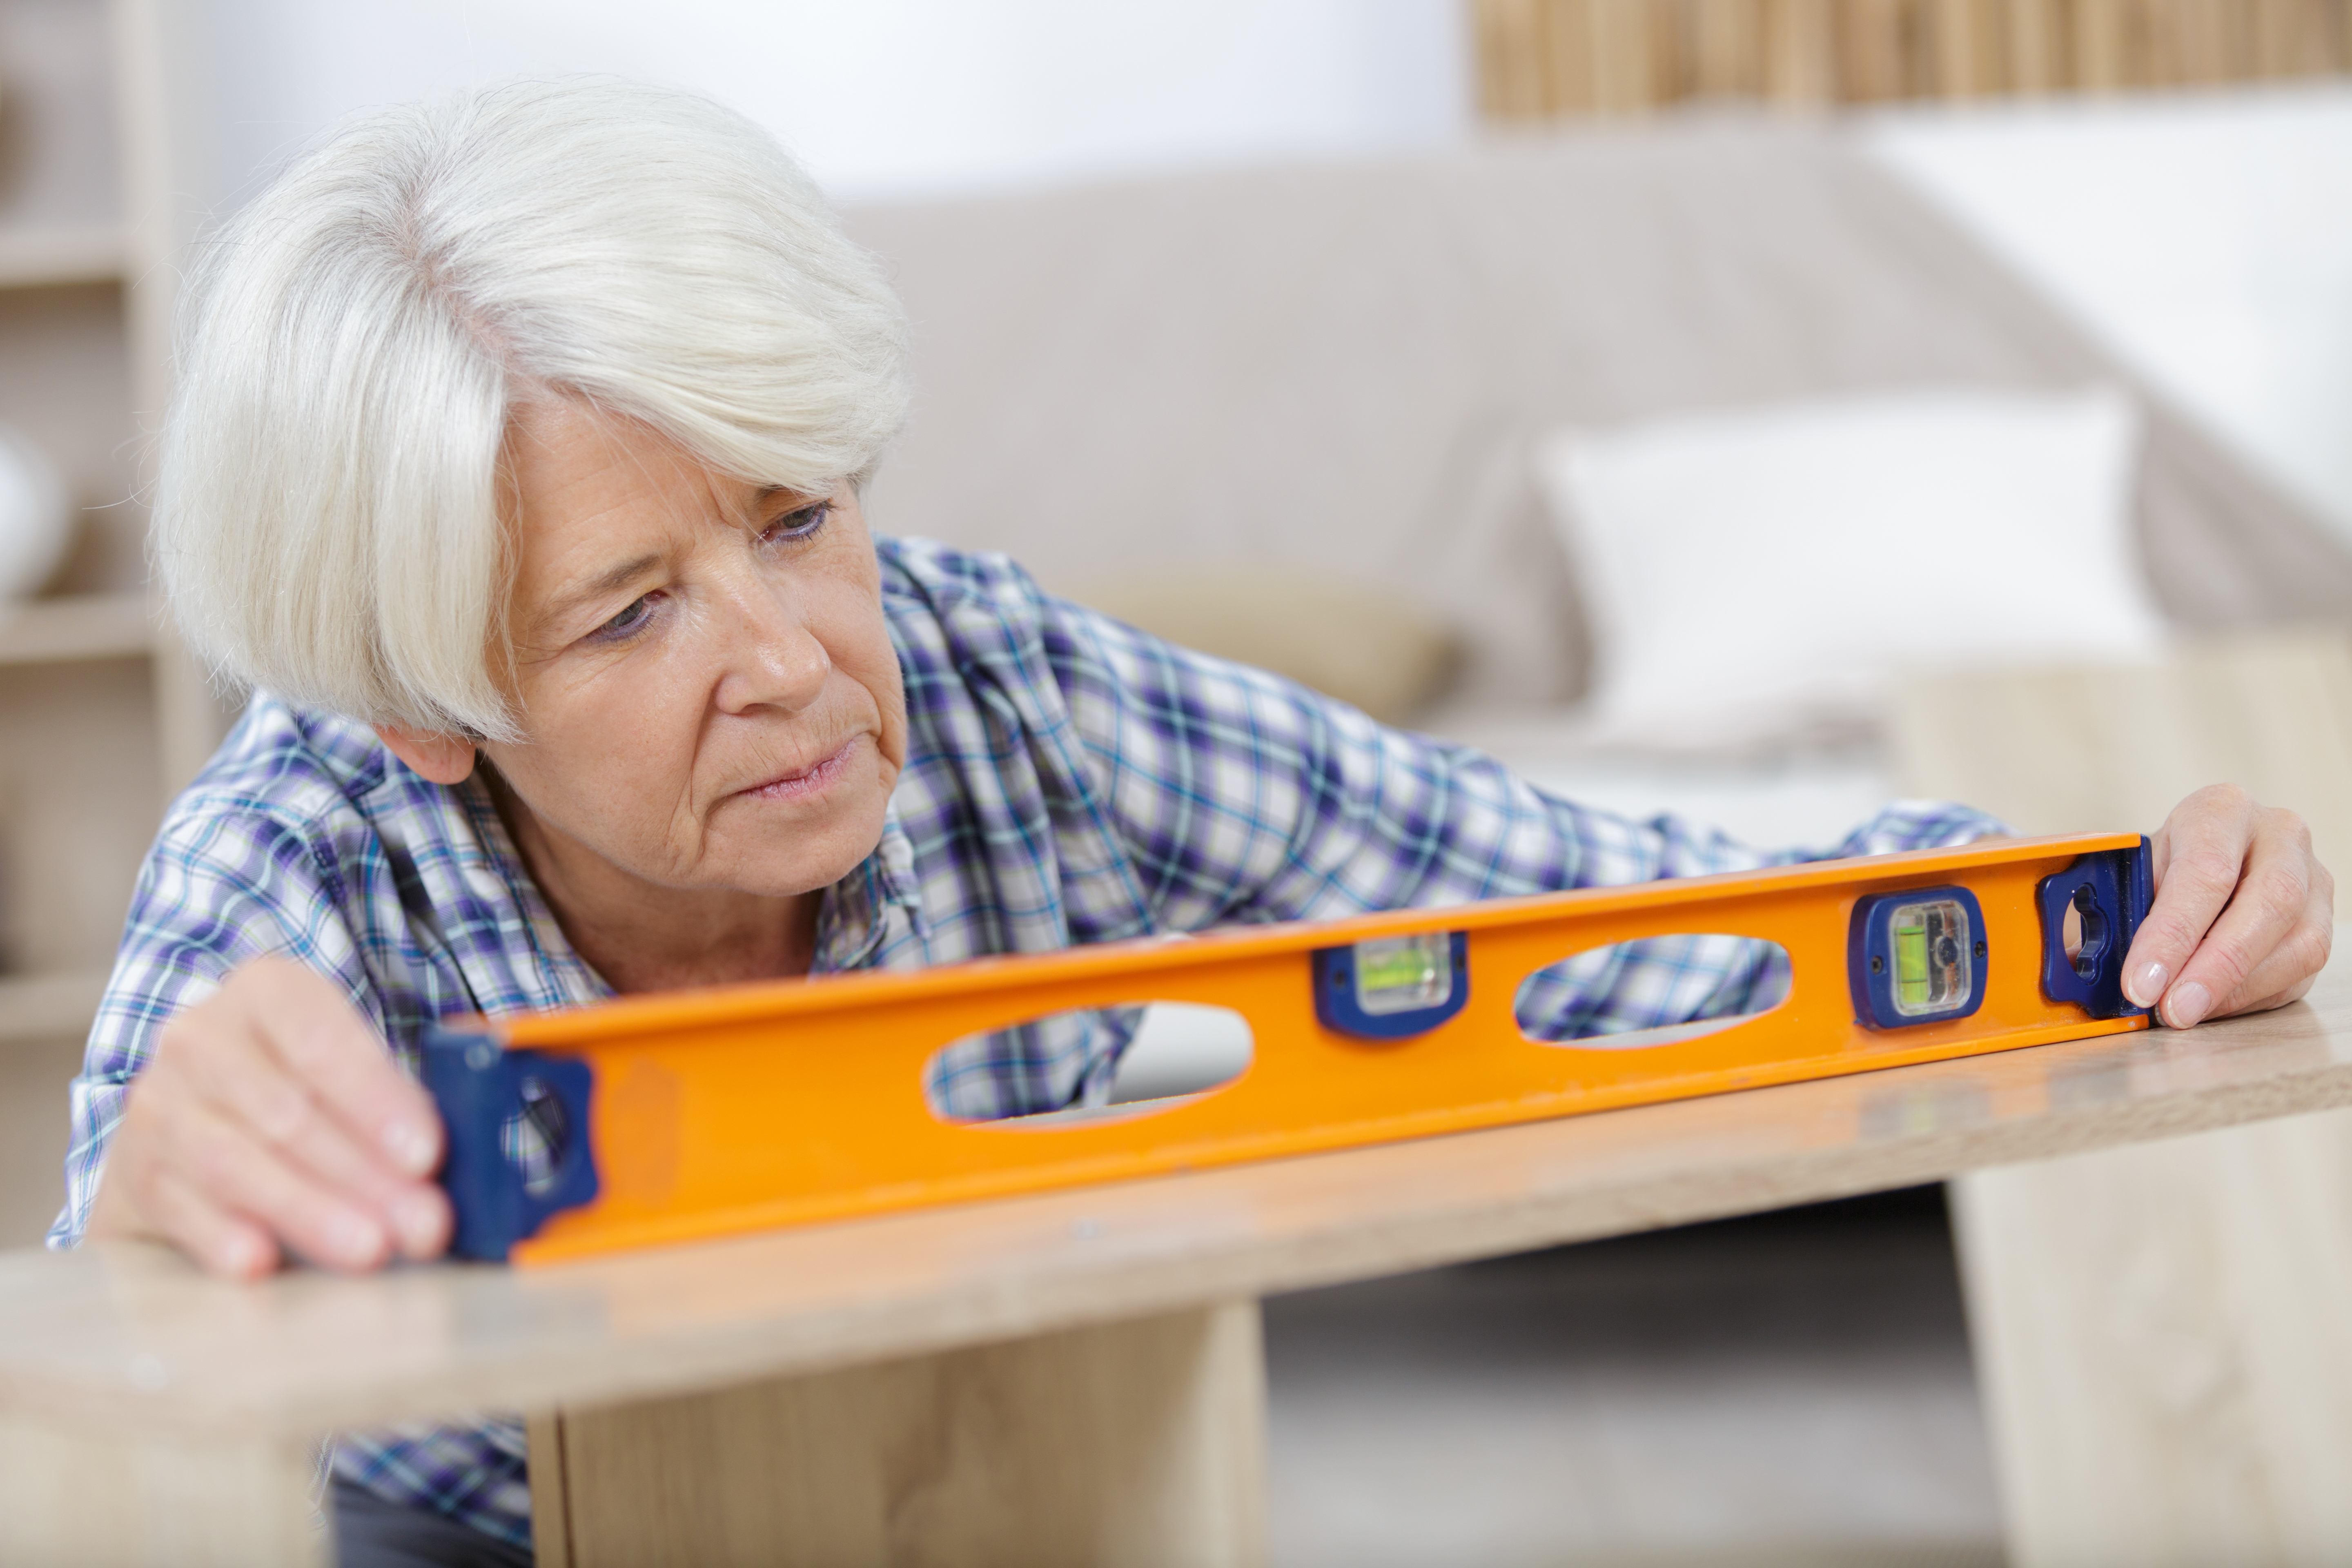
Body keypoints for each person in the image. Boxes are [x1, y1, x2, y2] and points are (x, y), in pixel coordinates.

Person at [53, 79, 2331, 1566]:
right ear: (433, 711)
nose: (789, 658)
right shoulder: (298, 848)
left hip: (955, 1477)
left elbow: (1593, 903)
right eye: (635, 610)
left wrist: (2113, 911)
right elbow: (109, 1403)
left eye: (798, 517)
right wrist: (163, 1213)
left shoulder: (995, 684)